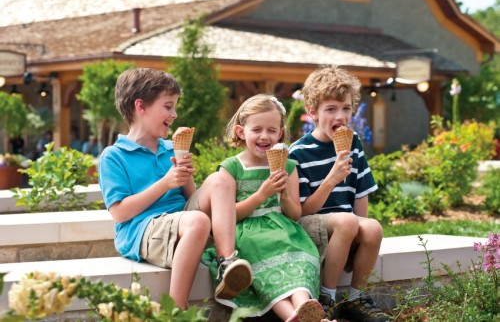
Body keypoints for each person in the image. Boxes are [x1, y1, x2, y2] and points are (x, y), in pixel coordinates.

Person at [98, 68, 252, 310]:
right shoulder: (113, 156)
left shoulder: (171, 148)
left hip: (182, 221)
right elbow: (120, 213)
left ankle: (226, 262)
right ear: (141, 106)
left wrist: (184, 175)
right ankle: (176, 308)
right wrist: (165, 183)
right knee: (198, 222)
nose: (175, 114)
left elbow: (192, 198)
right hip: (142, 229)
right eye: (168, 106)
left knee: (221, 179)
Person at [202, 94, 325, 322]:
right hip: (248, 234)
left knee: (298, 258)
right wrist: (262, 194)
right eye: (257, 129)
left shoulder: (289, 166)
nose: (264, 136)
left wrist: (285, 194)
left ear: (280, 134)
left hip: (284, 232)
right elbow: (229, 216)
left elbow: (295, 214)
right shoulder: (232, 168)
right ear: (241, 132)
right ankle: (295, 316)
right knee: (266, 271)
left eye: (271, 130)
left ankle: (304, 308)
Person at [289, 66, 391, 322]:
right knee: (347, 221)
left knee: (373, 227)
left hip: (344, 228)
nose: (341, 116)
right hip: (311, 226)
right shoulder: (298, 153)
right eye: (331, 109)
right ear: (313, 112)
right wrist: (332, 178)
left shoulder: (353, 143)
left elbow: (360, 193)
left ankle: (356, 298)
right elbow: (301, 211)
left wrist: (362, 233)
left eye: (346, 109)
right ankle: (327, 297)